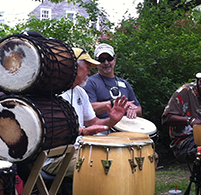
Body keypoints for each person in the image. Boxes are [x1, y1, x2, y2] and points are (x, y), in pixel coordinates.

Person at [40, 48, 128, 178]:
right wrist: (81, 132)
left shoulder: (80, 92)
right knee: (103, 165)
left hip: (78, 150)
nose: (89, 72)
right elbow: (50, 132)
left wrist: (112, 120)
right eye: (86, 67)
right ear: (72, 68)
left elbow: (94, 123)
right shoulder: (51, 93)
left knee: (119, 156)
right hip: (54, 158)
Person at [83, 43, 142, 120]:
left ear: (115, 59)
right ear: (96, 62)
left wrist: (133, 110)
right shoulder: (90, 82)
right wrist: (112, 104)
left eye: (109, 58)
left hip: (125, 127)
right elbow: (87, 109)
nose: (106, 62)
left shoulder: (125, 84)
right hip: (103, 128)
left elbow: (139, 109)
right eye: (102, 60)